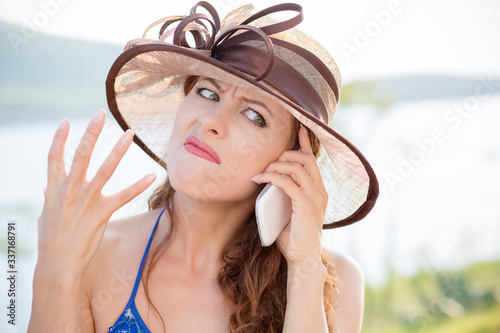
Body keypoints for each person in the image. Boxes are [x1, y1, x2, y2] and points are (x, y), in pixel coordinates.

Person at [28, 2, 379, 332]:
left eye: (254, 115)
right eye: (208, 93)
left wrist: (303, 267)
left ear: (293, 162)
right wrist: (54, 269)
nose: (211, 120)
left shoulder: (334, 281)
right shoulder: (94, 253)